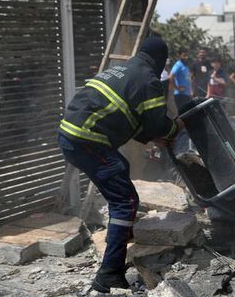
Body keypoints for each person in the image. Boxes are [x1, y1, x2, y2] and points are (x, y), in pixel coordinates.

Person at [57, 37, 184, 293]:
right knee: (124, 201)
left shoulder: (126, 69)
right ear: (160, 61)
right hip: (88, 138)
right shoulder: (148, 78)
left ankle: (122, 243)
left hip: (71, 134)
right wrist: (176, 128)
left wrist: (151, 136)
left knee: (121, 174)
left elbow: (129, 117)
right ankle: (109, 275)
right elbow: (159, 124)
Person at [169, 48, 193, 113]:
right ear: (179, 55)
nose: (186, 57)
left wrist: (191, 91)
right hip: (180, 95)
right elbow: (171, 77)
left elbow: (188, 79)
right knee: (182, 114)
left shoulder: (186, 66)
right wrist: (177, 88)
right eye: (184, 55)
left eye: (187, 55)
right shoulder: (178, 64)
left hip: (187, 95)